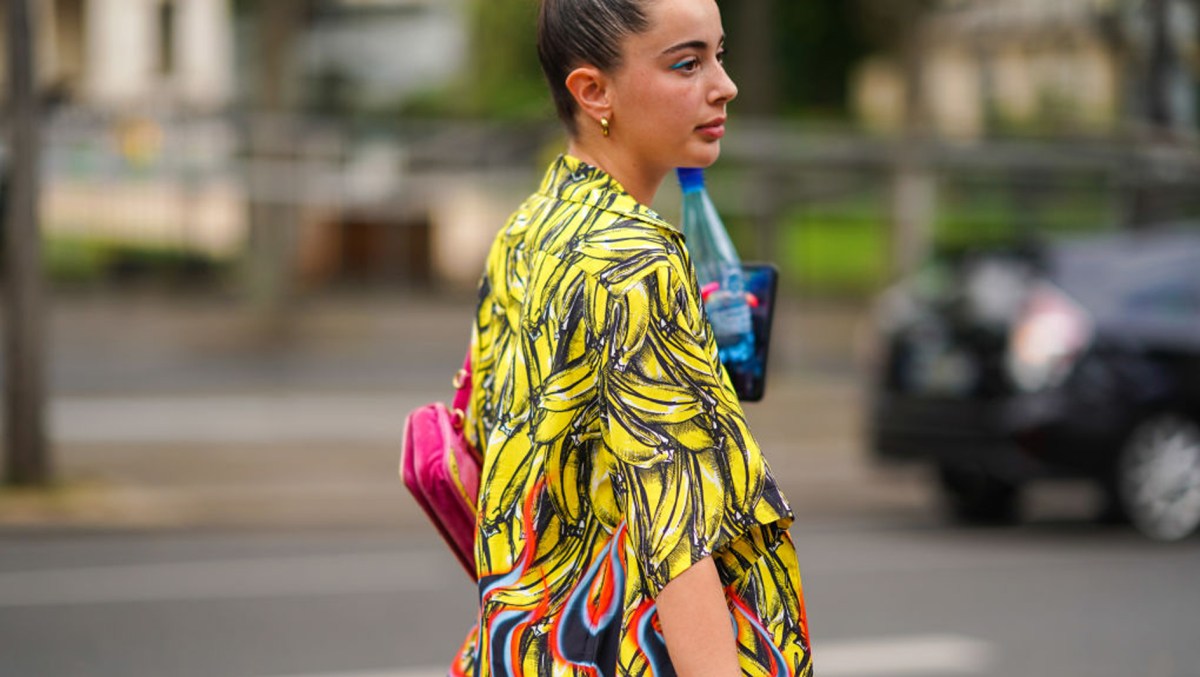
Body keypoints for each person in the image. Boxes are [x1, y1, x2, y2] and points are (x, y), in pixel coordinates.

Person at [452, 0, 812, 674]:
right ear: (593, 91)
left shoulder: (528, 228)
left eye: (720, 53)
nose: (723, 85)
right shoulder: (636, 261)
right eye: (686, 63)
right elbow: (678, 539)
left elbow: (488, 456)